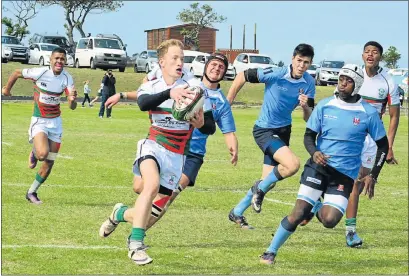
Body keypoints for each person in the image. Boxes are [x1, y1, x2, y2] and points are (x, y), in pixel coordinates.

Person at [260, 64, 389, 265]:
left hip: (344, 175)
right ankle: (270, 251)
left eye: (348, 80)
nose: (343, 84)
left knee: (330, 221)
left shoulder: (367, 113)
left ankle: (317, 206)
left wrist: (373, 175)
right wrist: (315, 152)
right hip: (317, 168)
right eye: (341, 79)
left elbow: (383, 145)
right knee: (298, 213)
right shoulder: (325, 105)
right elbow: (309, 136)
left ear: (357, 85)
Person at [98, 39, 210, 265]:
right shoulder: (153, 83)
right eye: (175, 58)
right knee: (150, 185)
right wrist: (170, 92)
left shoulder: (194, 86)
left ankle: (119, 214)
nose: (180, 62)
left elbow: (210, 126)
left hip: (177, 156)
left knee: (149, 212)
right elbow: (143, 103)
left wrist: (200, 124)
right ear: (162, 62)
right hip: (153, 145)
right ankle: (136, 245)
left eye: (182, 58)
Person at [130, 52, 238, 230]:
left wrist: (232, 147)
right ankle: (124, 215)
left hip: (192, 155)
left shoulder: (220, 101)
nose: (216, 68)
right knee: (140, 187)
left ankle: (137, 237)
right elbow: (149, 87)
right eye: (213, 64)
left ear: (224, 72)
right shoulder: (184, 81)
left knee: (165, 198)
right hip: (164, 145)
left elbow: (220, 130)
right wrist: (122, 95)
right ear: (206, 66)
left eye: (221, 67)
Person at [226, 44, 316, 229]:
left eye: (306, 63)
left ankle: (237, 211)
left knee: (268, 181)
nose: (301, 66)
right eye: (299, 61)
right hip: (264, 130)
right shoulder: (275, 73)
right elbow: (242, 76)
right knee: (292, 165)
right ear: (293, 58)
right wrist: (228, 103)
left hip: (284, 130)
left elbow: (308, 118)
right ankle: (257, 191)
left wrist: (306, 107)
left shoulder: (309, 83)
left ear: (310, 64)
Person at [342, 41, 400, 248]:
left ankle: (350, 231)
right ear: (362, 55)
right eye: (367, 51)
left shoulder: (389, 82)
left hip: (371, 140)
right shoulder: (353, 75)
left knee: (358, 181)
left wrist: (389, 146)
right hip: (349, 134)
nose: (370, 55)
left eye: (374, 52)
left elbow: (394, 116)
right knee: (343, 177)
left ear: (380, 57)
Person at [1, 47, 77, 204]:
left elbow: (72, 107)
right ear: (50, 59)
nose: (59, 61)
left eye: (62, 59)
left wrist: (72, 100)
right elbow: (16, 72)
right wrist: (7, 89)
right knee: (43, 154)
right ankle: (35, 153)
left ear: (65, 61)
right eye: (57, 58)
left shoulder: (67, 78)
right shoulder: (40, 72)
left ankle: (31, 192)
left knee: (49, 162)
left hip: (56, 123)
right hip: (40, 121)